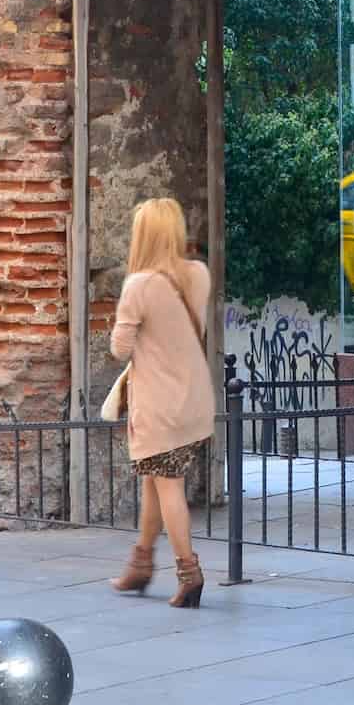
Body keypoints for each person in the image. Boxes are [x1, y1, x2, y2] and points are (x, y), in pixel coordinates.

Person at [108, 197, 215, 608]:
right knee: (156, 478)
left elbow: (120, 348)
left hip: (158, 404)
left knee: (168, 485)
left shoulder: (139, 285)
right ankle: (140, 563)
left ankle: (189, 573)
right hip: (194, 399)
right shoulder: (198, 274)